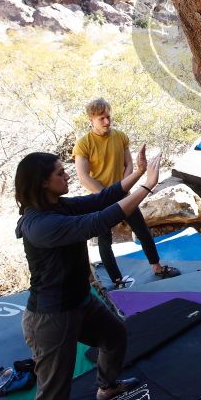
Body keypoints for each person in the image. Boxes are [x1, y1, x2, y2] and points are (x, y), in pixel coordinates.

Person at [14, 146, 161, 400]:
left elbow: (102, 199)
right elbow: (98, 221)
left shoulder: (58, 206)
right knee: (54, 391)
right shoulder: (39, 225)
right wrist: (147, 186)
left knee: (114, 336)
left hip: (80, 300)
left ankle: (107, 387)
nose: (68, 176)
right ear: (43, 183)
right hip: (51, 315)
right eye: (60, 173)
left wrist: (138, 172)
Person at [73, 98, 177, 287]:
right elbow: (83, 177)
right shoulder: (84, 144)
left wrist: (124, 187)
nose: (106, 121)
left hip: (122, 195)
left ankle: (157, 267)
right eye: (101, 118)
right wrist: (107, 194)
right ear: (91, 119)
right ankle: (117, 280)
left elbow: (129, 164)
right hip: (99, 199)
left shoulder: (120, 136)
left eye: (108, 117)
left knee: (143, 231)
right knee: (105, 241)